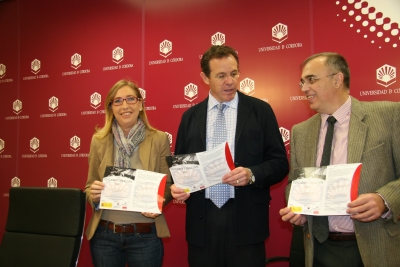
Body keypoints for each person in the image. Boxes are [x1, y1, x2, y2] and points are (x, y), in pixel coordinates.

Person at [171, 45, 289, 267]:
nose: (230, 81)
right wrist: (178, 187)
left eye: (234, 73)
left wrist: (252, 174)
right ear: (205, 77)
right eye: (221, 75)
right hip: (202, 222)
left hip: (246, 220)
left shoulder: (260, 111)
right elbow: (179, 167)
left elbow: (280, 163)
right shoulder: (190, 117)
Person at [279, 52, 400, 267]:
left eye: (311, 79)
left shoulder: (389, 115)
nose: (304, 88)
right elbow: (293, 184)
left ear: (337, 79)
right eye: (302, 81)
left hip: (373, 248)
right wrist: (298, 208)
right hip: (318, 249)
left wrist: (384, 200)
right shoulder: (301, 132)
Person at [84, 79, 172, 267]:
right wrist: (94, 194)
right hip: (105, 236)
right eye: (117, 101)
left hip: (145, 236)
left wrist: (158, 202)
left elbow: (168, 186)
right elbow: (90, 185)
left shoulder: (159, 139)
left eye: (130, 99)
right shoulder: (98, 140)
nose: (124, 105)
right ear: (111, 108)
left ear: (140, 104)